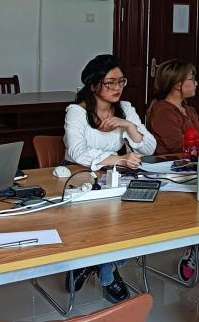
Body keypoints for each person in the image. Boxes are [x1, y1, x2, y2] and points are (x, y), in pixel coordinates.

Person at [63, 54, 157, 304]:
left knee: (140, 220)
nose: (117, 87)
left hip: (114, 177)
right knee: (104, 220)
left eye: (121, 81)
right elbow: (77, 152)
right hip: (78, 178)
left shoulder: (125, 108)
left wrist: (128, 126)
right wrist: (118, 159)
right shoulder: (77, 111)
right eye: (110, 83)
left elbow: (149, 147)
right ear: (94, 85)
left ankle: (93, 265)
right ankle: (106, 274)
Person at [145, 59, 199, 282]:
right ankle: (198, 244)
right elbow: (179, 149)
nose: (196, 83)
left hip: (196, 168)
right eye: (192, 78)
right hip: (174, 176)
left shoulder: (189, 110)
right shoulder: (162, 111)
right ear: (177, 84)